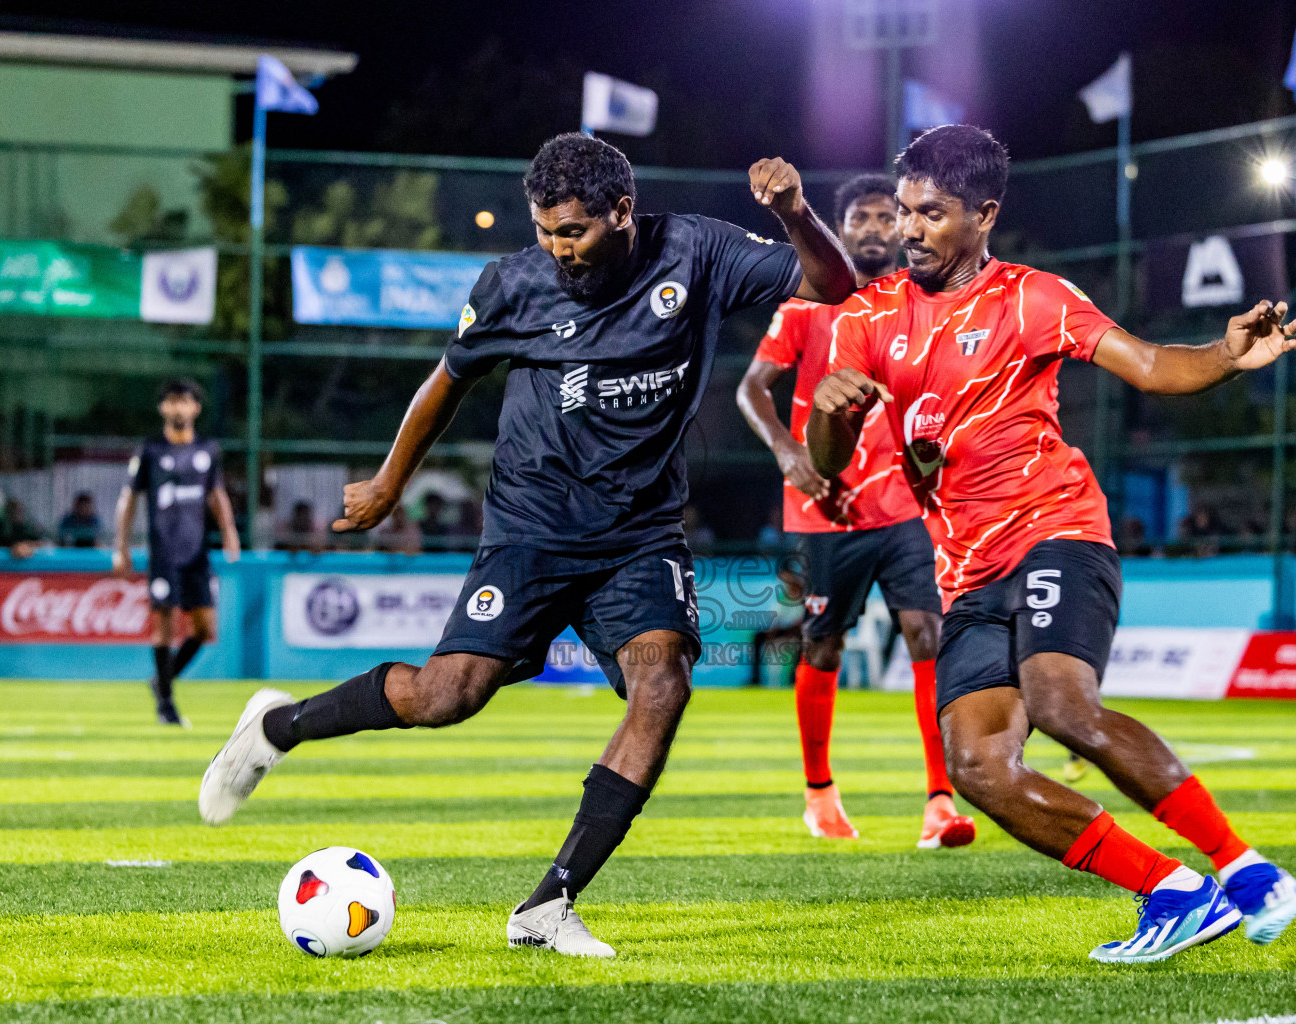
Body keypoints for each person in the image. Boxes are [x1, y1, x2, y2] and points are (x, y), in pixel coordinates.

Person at [197, 132, 855, 958]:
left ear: (623, 211)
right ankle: (276, 728)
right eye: (544, 230)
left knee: (663, 686)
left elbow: (834, 284)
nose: (558, 249)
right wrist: (390, 481)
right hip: (531, 528)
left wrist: (794, 212)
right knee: (448, 696)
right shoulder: (513, 285)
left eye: (573, 231)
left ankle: (549, 905)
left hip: (639, 534)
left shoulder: (697, 252)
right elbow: (448, 381)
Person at [809, 125, 1296, 963]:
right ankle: (1175, 893)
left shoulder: (1033, 298)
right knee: (977, 765)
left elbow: (1149, 365)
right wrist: (827, 412)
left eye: (932, 213)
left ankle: (1246, 872)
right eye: (904, 212)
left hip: (1058, 533)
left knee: (1062, 707)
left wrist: (1222, 356)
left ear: (983, 215)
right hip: (968, 573)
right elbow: (827, 468)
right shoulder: (868, 318)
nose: (910, 229)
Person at [736, 173, 971, 849]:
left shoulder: (921, 303)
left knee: (929, 631)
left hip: (903, 504)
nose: (872, 228)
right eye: (859, 219)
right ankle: (819, 793)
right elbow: (752, 388)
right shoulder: (808, 304)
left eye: (882, 217)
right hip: (827, 509)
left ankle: (940, 802)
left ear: (900, 227)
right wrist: (787, 453)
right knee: (822, 644)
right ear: (839, 229)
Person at [113, 378, 241, 727]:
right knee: (163, 629)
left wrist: (229, 532)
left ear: (196, 408)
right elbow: (129, 499)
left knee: (204, 629)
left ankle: (161, 680)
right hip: (164, 553)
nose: (178, 407)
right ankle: (166, 704)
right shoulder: (150, 449)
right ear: (163, 408)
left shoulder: (208, 450)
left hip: (197, 552)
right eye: (171, 401)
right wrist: (120, 546)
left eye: (185, 401)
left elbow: (216, 494)